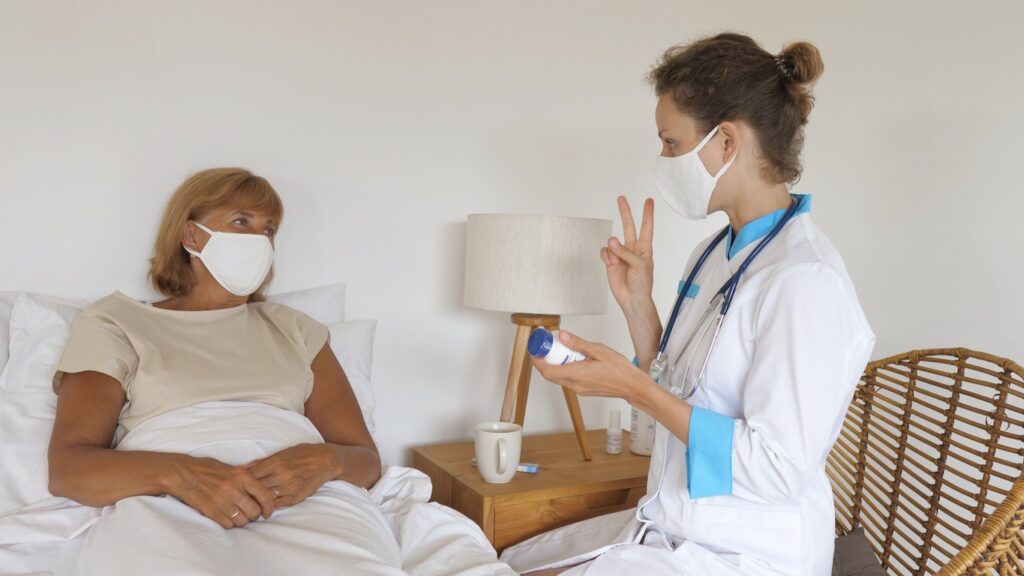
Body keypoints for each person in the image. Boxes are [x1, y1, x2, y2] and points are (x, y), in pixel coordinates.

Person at [501, 33, 875, 576]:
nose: (663, 159)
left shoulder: (804, 281)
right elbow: (688, 385)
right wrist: (638, 307)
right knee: (512, 561)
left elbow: (776, 470)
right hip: (681, 527)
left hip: (750, 553)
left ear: (726, 141)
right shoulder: (715, 252)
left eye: (671, 144)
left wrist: (633, 389)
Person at [46, 168, 395, 573]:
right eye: (242, 221)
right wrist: (185, 476)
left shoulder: (294, 328)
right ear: (191, 236)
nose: (259, 240)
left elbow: (366, 459)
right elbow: (69, 469)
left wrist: (327, 462)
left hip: (305, 501)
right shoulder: (116, 321)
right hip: (166, 507)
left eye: (269, 230)